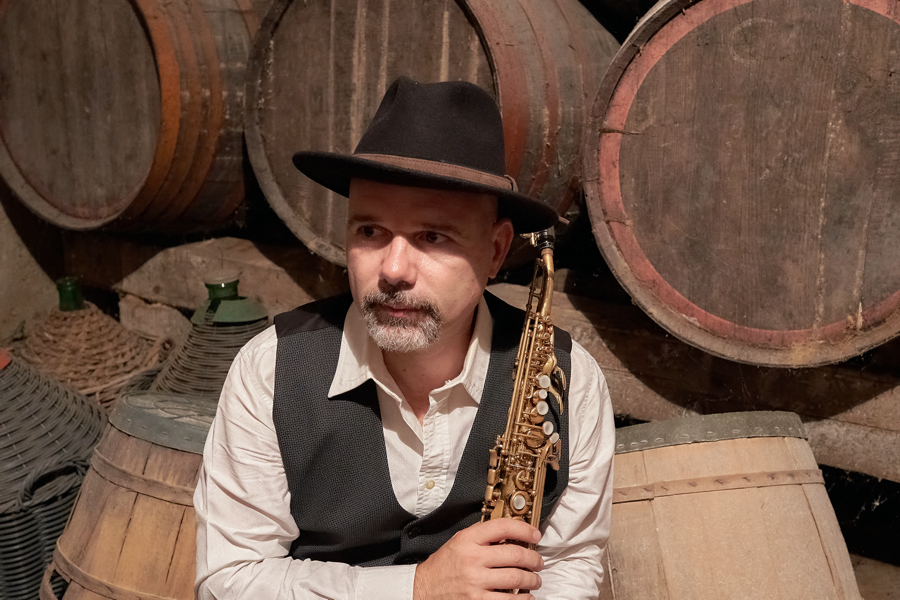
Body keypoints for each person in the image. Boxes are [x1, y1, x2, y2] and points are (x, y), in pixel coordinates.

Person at [194, 77, 614, 599]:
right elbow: (228, 580)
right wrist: (417, 588)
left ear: (496, 251)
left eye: (432, 236)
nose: (393, 270)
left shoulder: (570, 380)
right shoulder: (271, 368)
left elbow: (570, 565)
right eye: (369, 231)